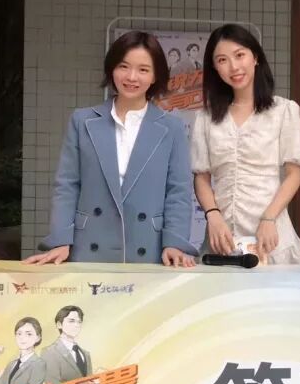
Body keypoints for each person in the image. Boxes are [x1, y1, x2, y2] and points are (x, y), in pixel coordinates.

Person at [27, 31, 198, 266]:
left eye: (143, 70)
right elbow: (67, 186)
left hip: (150, 247)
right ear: (112, 69)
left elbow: (178, 192)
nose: (131, 77)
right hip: (89, 245)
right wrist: (61, 240)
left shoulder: (171, 127)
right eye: (123, 66)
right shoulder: (83, 121)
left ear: (155, 76)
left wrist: (175, 242)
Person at [190, 24, 300, 265]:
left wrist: (269, 218)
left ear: (255, 57)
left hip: (271, 235)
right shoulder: (205, 118)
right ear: (214, 68)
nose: (234, 67)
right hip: (222, 238)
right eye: (222, 60)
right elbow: (201, 177)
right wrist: (213, 216)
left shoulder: (284, 111)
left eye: (240, 55)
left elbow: (293, 174)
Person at [41, 306, 94, 384]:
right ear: (59, 325)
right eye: (71, 321)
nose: (76, 325)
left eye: (79, 322)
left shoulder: (86, 354)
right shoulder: (49, 352)